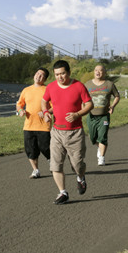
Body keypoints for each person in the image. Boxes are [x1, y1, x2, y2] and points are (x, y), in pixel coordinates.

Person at [41, 60, 93, 205]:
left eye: (63, 73)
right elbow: (44, 101)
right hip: (57, 132)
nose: (60, 77)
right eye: (57, 74)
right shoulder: (51, 87)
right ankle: (63, 192)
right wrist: (46, 113)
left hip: (75, 132)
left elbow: (90, 104)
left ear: (69, 73)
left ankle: (80, 178)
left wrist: (78, 114)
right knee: (55, 165)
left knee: (77, 164)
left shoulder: (78, 86)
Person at [16, 67, 52, 178]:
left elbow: (54, 106)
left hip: (43, 126)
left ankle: (51, 161)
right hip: (29, 125)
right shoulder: (26, 90)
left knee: (45, 148)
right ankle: (35, 170)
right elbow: (19, 104)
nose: (38, 76)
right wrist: (21, 110)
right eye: (37, 73)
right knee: (30, 150)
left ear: (44, 79)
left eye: (41, 75)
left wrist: (46, 111)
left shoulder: (48, 90)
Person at [84, 64, 120, 166]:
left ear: (104, 72)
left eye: (100, 70)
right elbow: (82, 97)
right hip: (91, 115)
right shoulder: (88, 84)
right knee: (92, 138)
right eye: (96, 70)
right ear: (94, 72)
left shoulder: (109, 84)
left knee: (103, 136)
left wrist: (113, 106)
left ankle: (102, 157)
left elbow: (117, 96)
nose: (98, 72)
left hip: (104, 116)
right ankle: (99, 146)